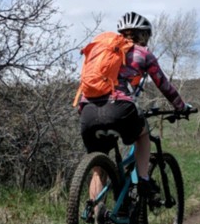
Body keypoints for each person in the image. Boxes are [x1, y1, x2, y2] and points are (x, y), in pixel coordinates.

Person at [78, 11, 189, 211]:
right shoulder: (143, 53)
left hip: (88, 111)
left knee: (98, 170)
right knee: (143, 133)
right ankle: (143, 181)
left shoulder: (104, 52)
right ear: (143, 36)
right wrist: (180, 107)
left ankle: (98, 218)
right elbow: (164, 85)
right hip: (120, 109)